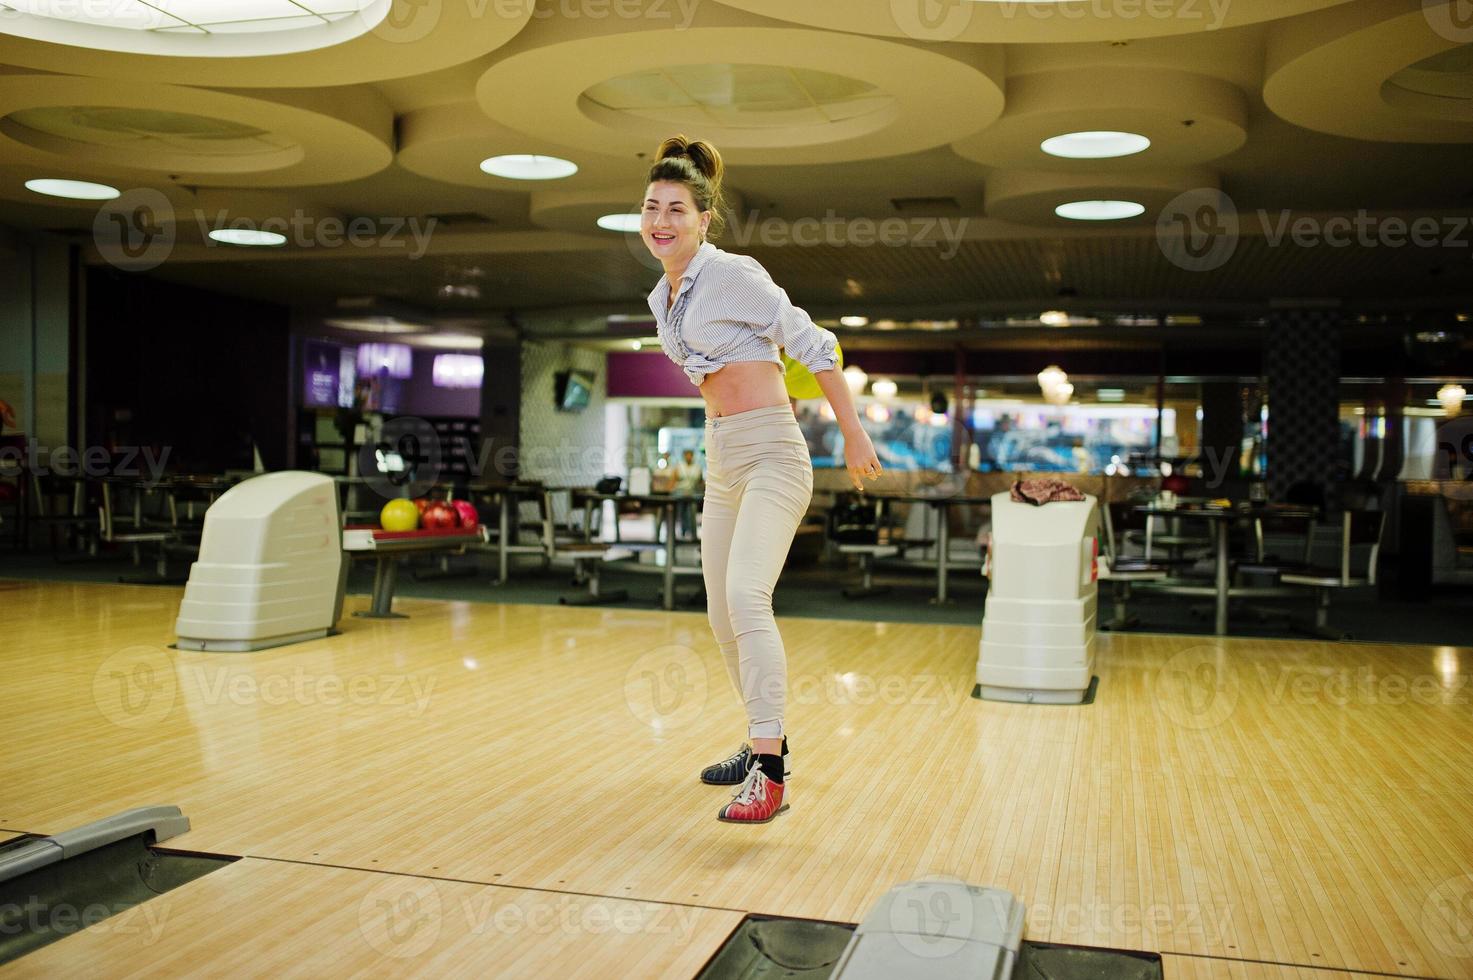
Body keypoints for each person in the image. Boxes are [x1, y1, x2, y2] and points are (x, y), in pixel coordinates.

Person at [641, 134, 882, 824]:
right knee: (719, 613)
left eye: (676, 209)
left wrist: (852, 429)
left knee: (747, 597)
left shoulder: (733, 274)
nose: (660, 220)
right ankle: (756, 739)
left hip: (774, 452)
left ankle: (770, 773)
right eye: (652, 207)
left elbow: (816, 343)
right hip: (722, 458)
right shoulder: (663, 297)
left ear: (702, 219)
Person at [673, 448, 703, 539]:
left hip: (693, 493)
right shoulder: (679, 466)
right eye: (687, 455)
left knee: (692, 512)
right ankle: (683, 532)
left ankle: (693, 533)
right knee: (681, 512)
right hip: (680, 492)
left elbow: (699, 481)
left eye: (690, 455)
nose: (689, 457)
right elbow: (674, 480)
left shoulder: (697, 467)